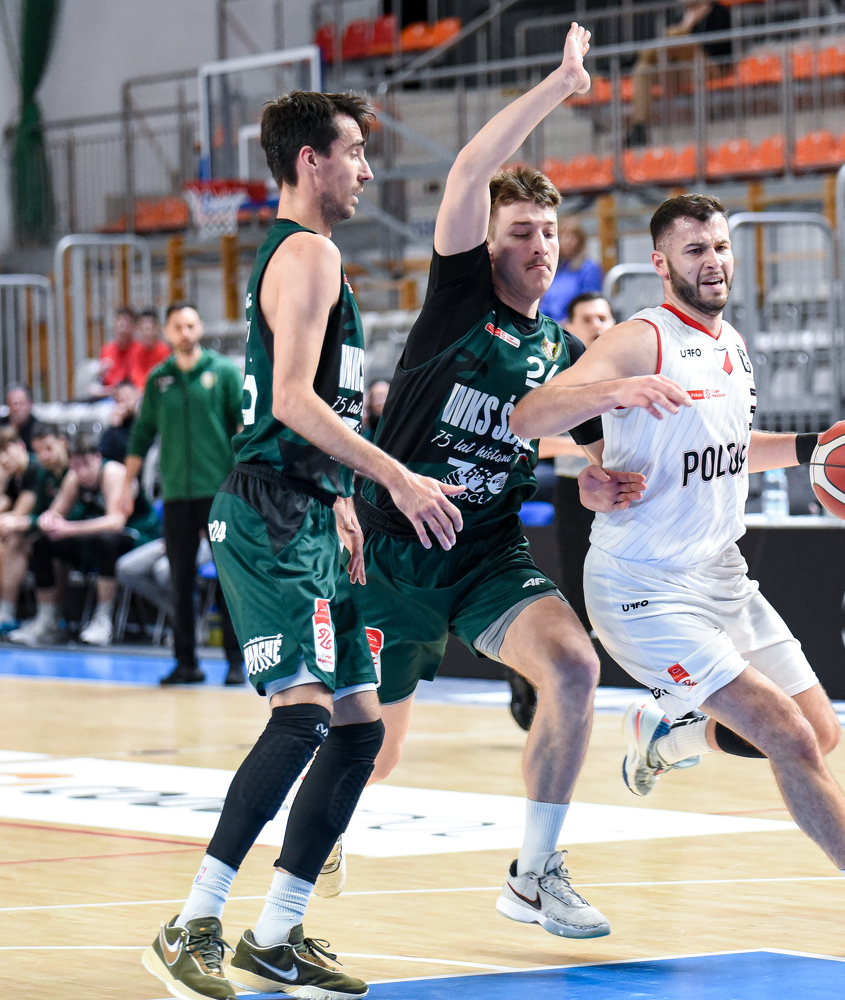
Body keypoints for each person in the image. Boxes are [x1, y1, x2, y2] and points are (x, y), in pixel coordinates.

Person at [510, 192, 845, 962]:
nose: (713, 261)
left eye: (719, 246)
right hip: (643, 589)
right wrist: (612, 395)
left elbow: (730, 447)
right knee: (786, 733)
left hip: (722, 576)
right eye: (695, 250)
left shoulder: (733, 346)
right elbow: (530, 415)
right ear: (662, 265)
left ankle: (669, 732)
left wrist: (817, 447)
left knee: (820, 732)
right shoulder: (640, 338)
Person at [141, 90, 462, 1000]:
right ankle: (191, 921)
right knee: (305, 716)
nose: (366, 169)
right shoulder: (309, 254)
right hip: (268, 511)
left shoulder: (310, 256)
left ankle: (276, 933)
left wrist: (344, 497)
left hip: (311, 508)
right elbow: (289, 399)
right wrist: (395, 477)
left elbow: (313, 405)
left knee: (360, 728)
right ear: (309, 161)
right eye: (354, 151)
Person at [346, 27, 621, 941]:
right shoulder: (460, 301)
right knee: (373, 755)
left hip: (489, 557)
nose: (539, 246)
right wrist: (562, 83)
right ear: (489, 244)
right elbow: (469, 169)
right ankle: (306, 836)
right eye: (520, 233)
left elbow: (596, 451)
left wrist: (597, 479)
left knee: (575, 667)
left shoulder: (564, 351)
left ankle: (534, 875)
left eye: (548, 232)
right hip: (395, 555)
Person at [119, 302, 247, 687]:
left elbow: (243, 427)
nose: (185, 332)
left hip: (219, 493)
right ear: (167, 332)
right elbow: (141, 435)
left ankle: (237, 663)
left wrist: (246, 482)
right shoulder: (159, 380)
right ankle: (186, 663)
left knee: (229, 579)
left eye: (191, 325)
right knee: (179, 581)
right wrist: (126, 485)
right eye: (177, 326)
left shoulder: (223, 372)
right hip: (176, 495)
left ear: (200, 327)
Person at [8, 431, 156, 646]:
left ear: (97, 457)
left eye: (86, 464)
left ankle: (103, 618)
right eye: (76, 466)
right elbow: (54, 513)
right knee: (42, 543)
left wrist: (69, 528)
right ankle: (48, 619)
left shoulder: (112, 472)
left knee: (107, 540)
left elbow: (116, 522)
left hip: (139, 538)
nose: (82, 472)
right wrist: (48, 521)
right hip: (94, 539)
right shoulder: (74, 477)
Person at [544, 291, 616, 631]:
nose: (596, 326)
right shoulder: (556, 379)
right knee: (579, 580)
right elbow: (532, 441)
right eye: (586, 320)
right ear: (568, 327)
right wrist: (591, 449)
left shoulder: (631, 373)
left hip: (624, 491)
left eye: (602, 318)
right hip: (575, 489)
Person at [627, 1, 731, 147]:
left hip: (710, 67)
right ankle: (639, 128)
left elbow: (722, 51)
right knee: (642, 69)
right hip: (682, 70)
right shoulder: (679, 17)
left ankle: (643, 53)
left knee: (676, 36)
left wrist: (685, 29)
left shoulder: (720, 13)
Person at [0, 423, 66, 632]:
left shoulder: (36, 470)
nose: (3, 459)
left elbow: (23, 514)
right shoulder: (17, 475)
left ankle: (9, 612)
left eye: (5, 451)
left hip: (59, 532)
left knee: (14, 541)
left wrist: (21, 522)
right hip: (42, 529)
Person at [539, 220, 603, 322]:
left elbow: (588, 304)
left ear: (580, 240)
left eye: (571, 236)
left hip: (573, 326)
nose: (566, 241)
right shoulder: (556, 269)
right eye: (563, 236)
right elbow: (545, 305)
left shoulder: (588, 268)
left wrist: (565, 325)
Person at [95, 307, 139, 396]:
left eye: (126, 323)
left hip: (129, 395)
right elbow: (100, 379)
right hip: (107, 395)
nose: (122, 327)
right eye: (119, 322)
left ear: (133, 327)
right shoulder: (107, 349)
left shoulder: (139, 350)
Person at [128, 307, 171, 390]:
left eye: (150, 329)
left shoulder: (164, 350)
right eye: (144, 329)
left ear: (157, 328)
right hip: (140, 390)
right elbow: (135, 373)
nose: (147, 333)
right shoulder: (135, 350)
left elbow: (164, 375)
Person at [100, 381, 140, 463]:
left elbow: (130, 450)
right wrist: (115, 426)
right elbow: (103, 450)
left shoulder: (140, 421)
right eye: (121, 400)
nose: (125, 404)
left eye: (128, 398)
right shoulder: (119, 423)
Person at [4, 384, 35, 451]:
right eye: (13, 404)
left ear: (30, 404)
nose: (17, 408)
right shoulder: (2, 426)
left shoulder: (38, 428)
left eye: (21, 403)